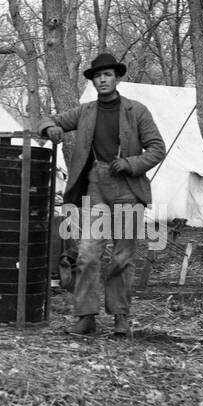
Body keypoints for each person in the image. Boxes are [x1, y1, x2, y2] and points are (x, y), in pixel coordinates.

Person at [34, 52, 166, 337]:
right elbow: (45, 118)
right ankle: (86, 316)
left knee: (122, 257)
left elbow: (157, 148)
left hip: (127, 190)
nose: (102, 79)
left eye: (107, 75)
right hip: (95, 189)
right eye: (97, 76)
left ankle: (120, 316)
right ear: (93, 81)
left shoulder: (137, 111)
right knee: (88, 253)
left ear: (116, 78)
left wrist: (131, 164)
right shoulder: (85, 111)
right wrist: (50, 127)